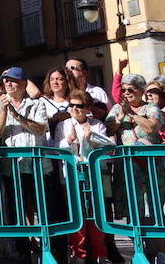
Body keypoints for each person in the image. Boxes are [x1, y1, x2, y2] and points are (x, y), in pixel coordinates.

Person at [0, 67, 51, 263]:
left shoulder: (37, 104)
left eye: (13, 80)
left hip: (36, 168)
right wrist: (3, 111)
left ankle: (46, 250)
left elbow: (41, 129)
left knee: (41, 210)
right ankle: (23, 253)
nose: (8, 84)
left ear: (24, 84)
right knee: (16, 211)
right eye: (5, 81)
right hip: (11, 169)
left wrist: (17, 116)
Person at [57, 90, 112, 264]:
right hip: (71, 176)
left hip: (93, 177)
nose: (74, 108)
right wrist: (68, 140)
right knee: (77, 216)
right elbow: (53, 146)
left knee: (96, 216)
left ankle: (100, 254)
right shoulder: (63, 125)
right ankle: (78, 254)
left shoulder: (97, 125)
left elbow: (110, 147)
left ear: (87, 108)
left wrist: (90, 137)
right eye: (71, 105)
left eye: (79, 106)